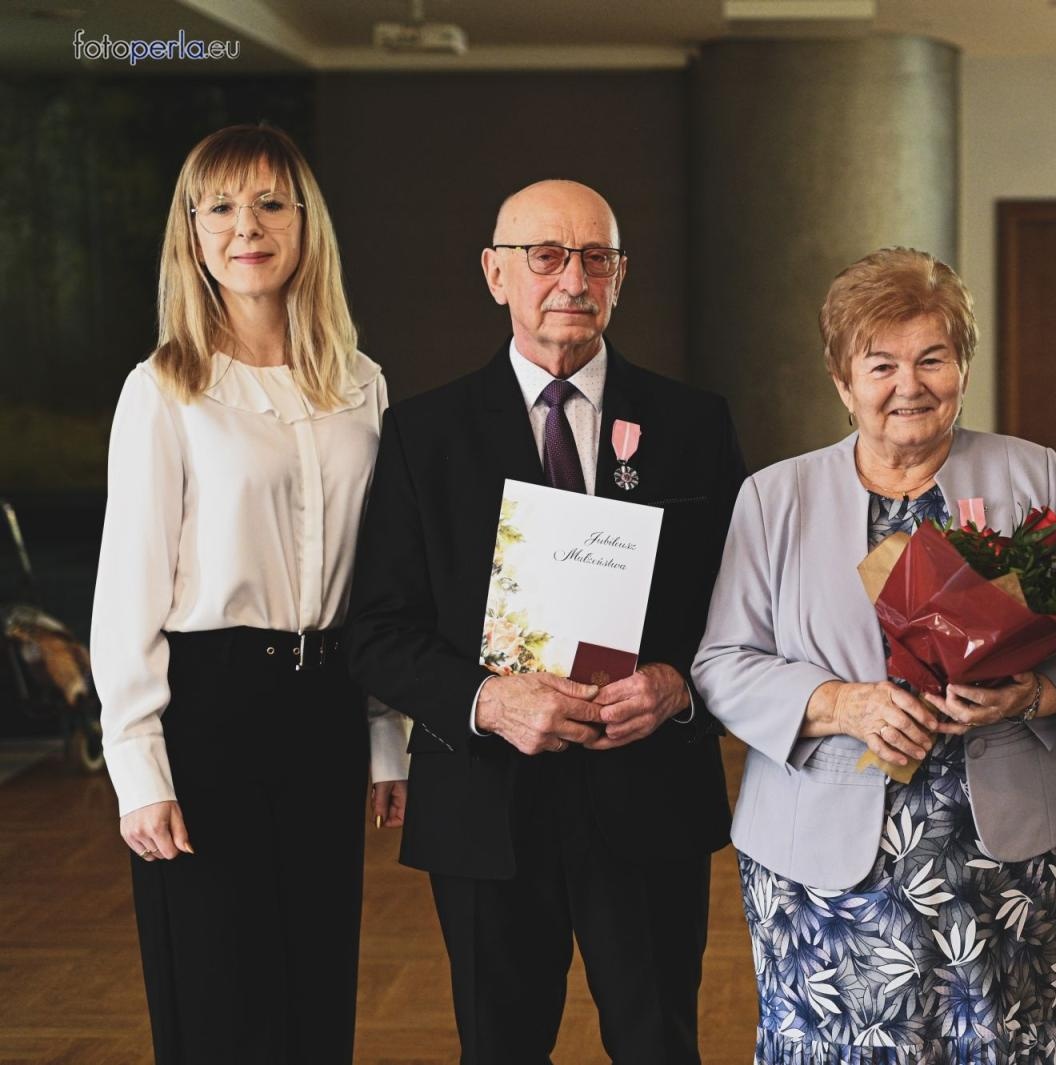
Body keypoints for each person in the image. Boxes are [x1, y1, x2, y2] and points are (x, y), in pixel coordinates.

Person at [693, 247, 1056, 1063]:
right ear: (841, 379)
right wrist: (840, 702)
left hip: (1003, 853)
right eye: (882, 363)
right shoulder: (775, 497)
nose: (910, 384)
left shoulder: (1029, 472)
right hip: (822, 866)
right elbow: (722, 659)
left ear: (963, 364)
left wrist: (1032, 693)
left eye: (933, 357)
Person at [345, 179, 745, 1065]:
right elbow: (376, 629)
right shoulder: (422, 433)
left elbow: (743, 609)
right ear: (496, 274)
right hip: (486, 804)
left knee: (659, 1043)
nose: (572, 278)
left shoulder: (693, 423)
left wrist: (679, 686)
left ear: (621, 275)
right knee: (500, 1047)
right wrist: (486, 699)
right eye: (546, 256)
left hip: (648, 796)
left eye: (594, 257)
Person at [90, 124, 408, 1064]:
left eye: (270, 202)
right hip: (207, 710)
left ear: (306, 225)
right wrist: (138, 769)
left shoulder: (363, 387)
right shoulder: (163, 390)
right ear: (191, 232)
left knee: (317, 985)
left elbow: (383, 574)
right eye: (221, 205)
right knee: (221, 995)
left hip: (325, 703)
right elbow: (127, 591)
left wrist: (384, 735)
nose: (247, 226)